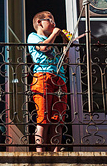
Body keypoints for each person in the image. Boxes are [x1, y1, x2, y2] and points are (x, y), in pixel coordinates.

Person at [27, 11, 70, 152]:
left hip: (59, 79)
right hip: (43, 77)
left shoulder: (54, 44)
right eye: (50, 20)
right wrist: (54, 34)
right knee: (43, 117)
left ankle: (56, 152)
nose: (54, 24)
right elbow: (43, 48)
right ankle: (40, 153)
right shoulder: (33, 37)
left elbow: (64, 62)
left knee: (58, 119)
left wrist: (65, 42)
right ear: (40, 22)